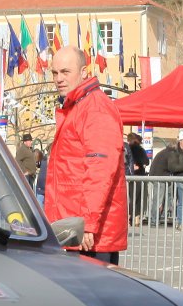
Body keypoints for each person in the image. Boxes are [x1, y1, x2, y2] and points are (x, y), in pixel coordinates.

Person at [42, 46, 128, 263]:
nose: (59, 79)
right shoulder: (79, 107)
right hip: (74, 228)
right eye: (55, 73)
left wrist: (87, 223)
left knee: (91, 285)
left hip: (89, 234)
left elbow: (100, 170)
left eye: (65, 72)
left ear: (83, 72)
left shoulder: (95, 108)